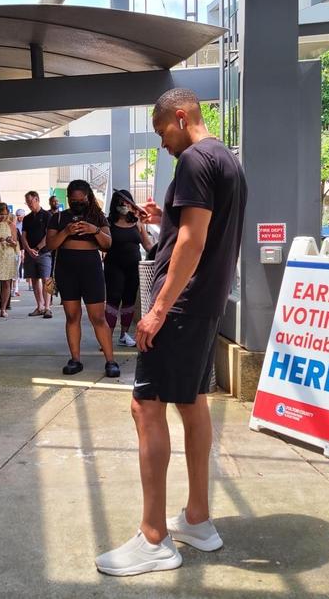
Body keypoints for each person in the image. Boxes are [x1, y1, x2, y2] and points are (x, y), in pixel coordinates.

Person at [95, 88, 246, 577]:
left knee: (145, 405)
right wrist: (167, 218)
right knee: (191, 401)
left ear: (181, 117)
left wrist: (157, 309)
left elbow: (193, 241)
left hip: (179, 307)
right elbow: (200, 228)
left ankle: (155, 538)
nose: (162, 142)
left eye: (162, 131)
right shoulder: (226, 159)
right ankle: (198, 520)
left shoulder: (195, 161)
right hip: (204, 305)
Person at [46, 180, 120, 378]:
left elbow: (108, 244)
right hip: (67, 269)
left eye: (82, 200)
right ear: (68, 199)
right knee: (72, 316)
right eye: (74, 200)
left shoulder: (97, 216)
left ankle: (110, 360)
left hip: (91, 268)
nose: (78, 203)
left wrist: (93, 230)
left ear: (88, 198)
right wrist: (66, 231)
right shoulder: (59, 217)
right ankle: (75, 359)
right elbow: (51, 244)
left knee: (98, 317)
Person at [104, 189, 154, 347]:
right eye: (120, 202)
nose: (124, 205)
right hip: (113, 266)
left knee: (129, 299)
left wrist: (160, 253)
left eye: (127, 202)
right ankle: (106, 336)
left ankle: (124, 335)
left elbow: (147, 245)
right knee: (113, 299)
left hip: (133, 267)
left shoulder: (137, 222)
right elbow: (102, 245)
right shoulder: (108, 223)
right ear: (115, 204)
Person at [20, 191, 54, 318]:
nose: (29, 204)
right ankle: (39, 306)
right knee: (34, 279)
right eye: (27, 202)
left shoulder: (47, 215)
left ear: (37, 199)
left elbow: (49, 235)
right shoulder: (27, 218)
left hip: (44, 252)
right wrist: (28, 250)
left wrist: (38, 248)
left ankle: (47, 307)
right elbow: (23, 236)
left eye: (30, 201)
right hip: (30, 253)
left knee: (47, 279)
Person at [14, 208, 27, 296]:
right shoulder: (15, 225)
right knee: (16, 269)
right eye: (17, 216)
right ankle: (15, 288)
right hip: (18, 248)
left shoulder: (26, 223)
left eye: (20, 217)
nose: (19, 218)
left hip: (24, 247)